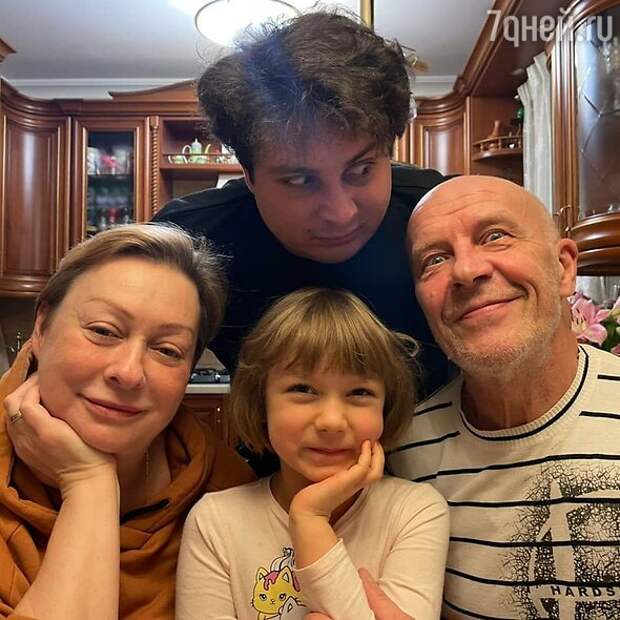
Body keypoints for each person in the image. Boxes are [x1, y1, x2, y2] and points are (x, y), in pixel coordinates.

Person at [152, 11, 453, 399]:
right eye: (300, 180)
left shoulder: (442, 214)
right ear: (249, 174)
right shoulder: (191, 240)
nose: (341, 213)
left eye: (361, 170)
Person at [387, 176, 620, 619]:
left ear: (563, 267)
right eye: (435, 260)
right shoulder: (405, 455)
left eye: (495, 236)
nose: (466, 271)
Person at [0, 224, 255, 619]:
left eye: (168, 350)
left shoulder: (227, 492)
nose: (129, 372)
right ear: (42, 327)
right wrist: (88, 482)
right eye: (103, 331)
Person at [176, 288, 449, 620]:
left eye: (359, 392)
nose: (331, 421)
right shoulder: (215, 522)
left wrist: (310, 518)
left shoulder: (415, 511)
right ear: (261, 404)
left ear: (386, 408)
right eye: (302, 389)